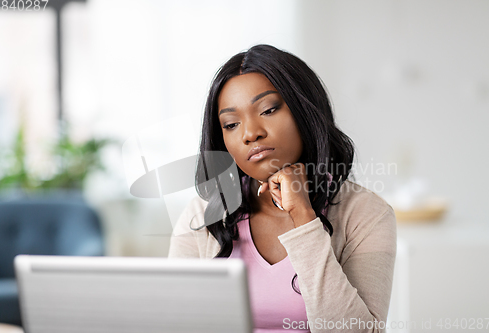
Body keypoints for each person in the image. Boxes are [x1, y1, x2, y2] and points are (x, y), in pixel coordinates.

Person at [168, 44, 397, 333]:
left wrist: (303, 216)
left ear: (305, 112)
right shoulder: (203, 214)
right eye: (231, 124)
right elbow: (175, 322)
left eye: (269, 109)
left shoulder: (366, 214)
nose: (251, 133)